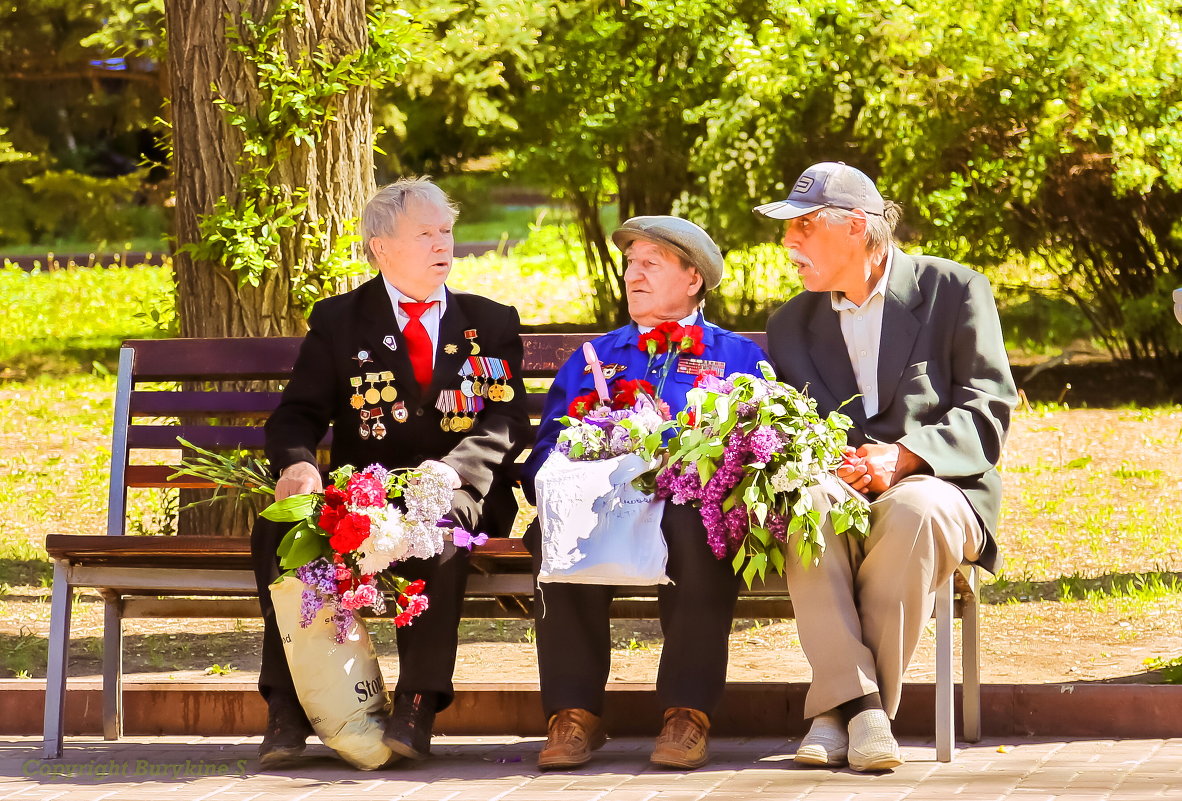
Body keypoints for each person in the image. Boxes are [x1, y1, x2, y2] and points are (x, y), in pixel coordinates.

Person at [252, 177, 530, 768]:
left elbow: (506, 419)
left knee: (437, 528)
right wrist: (299, 466)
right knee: (280, 528)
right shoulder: (340, 322)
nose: (442, 244)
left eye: (446, 231)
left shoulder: (492, 321)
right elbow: (295, 416)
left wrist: (452, 471)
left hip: (459, 488)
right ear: (382, 248)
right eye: (425, 233)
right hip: (366, 491)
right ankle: (286, 704)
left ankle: (418, 701)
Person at [755, 162, 1017, 771]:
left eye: (803, 227)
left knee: (914, 510)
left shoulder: (954, 291)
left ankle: (833, 713)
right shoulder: (790, 324)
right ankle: (865, 710)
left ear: (856, 228)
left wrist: (903, 456)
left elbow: (988, 408)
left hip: (940, 488)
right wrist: (821, 464)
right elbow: (792, 427)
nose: (788, 242)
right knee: (804, 506)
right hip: (839, 490)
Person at [520, 216, 767, 771]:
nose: (633, 274)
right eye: (631, 263)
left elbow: (754, 452)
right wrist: (568, 482)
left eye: (650, 264)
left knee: (702, 528)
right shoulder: (593, 358)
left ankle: (687, 713)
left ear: (693, 279)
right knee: (559, 530)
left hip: (686, 508)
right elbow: (546, 448)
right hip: (603, 506)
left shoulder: (737, 359)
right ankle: (574, 714)